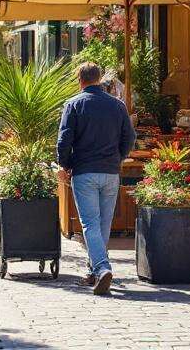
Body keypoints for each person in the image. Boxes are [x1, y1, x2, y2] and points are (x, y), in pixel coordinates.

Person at [57, 61, 136, 296]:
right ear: (99, 79)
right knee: (103, 224)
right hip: (110, 171)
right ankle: (94, 269)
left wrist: (66, 164)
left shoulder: (73, 104)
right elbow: (129, 137)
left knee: (90, 224)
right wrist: (119, 157)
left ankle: (101, 268)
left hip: (85, 171)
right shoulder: (117, 105)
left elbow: (64, 140)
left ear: (80, 80)